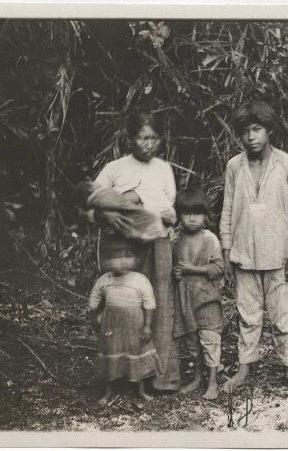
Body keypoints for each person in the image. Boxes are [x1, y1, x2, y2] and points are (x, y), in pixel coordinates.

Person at [220, 100, 288, 395]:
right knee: (247, 316)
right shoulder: (235, 166)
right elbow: (226, 211)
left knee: (281, 317)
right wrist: (226, 252)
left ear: (269, 130)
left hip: (279, 254)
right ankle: (244, 369)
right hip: (243, 253)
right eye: (245, 131)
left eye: (257, 129)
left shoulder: (287, 165)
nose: (251, 137)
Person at [89, 111, 180, 393]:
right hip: (123, 247)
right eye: (143, 137)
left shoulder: (164, 169)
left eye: (153, 138)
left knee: (159, 304)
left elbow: (169, 207)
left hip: (157, 244)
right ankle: (120, 375)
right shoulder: (114, 168)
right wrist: (106, 216)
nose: (149, 144)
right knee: (123, 304)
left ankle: (160, 377)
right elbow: (90, 206)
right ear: (130, 139)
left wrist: (162, 213)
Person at [88, 243, 161, 404]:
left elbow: (149, 303)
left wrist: (148, 326)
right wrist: (94, 320)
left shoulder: (140, 280)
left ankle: (140, 390)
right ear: (108, 261)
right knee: (110, 354)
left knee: (135, 354)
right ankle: (108, 391)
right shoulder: (104, 280)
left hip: (134, 325)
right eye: (115, 258)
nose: (121, 262)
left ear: (135, 260)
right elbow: (94, 301)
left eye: (126, 257)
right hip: (111, 326)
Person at [172, 187, 224, 400]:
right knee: (192, 341)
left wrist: (190, 269)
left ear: (206, 216)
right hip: (185, 298)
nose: (192, 218)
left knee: (210, 339)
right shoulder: (175, 239)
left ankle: (212, 382)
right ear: (180, 215)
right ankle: (197, 377)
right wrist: (176, 272)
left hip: (207, 299)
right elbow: (173, 267)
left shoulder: (210, 239)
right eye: (187, 213)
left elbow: (219, 268)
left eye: (198, 213)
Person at [73, 181, 166, 242]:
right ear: (91, 189)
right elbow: (82, 210)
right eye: (93, 182)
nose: (96, 182)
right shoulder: (102, 194)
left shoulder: (96, 200)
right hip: (138, 221)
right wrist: (102, 214)